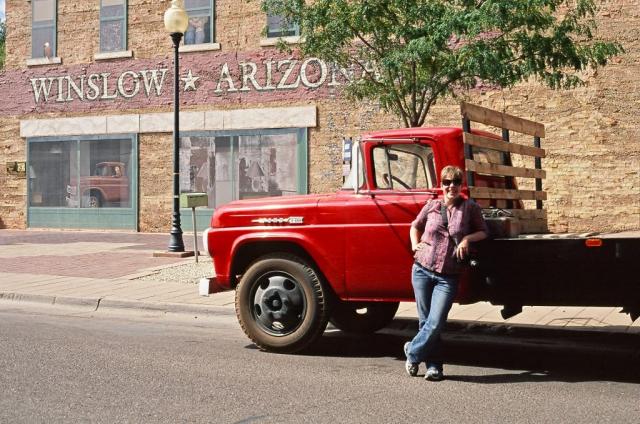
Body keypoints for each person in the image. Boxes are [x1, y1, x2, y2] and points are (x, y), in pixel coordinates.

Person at [404, 165, 488, 381]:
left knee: (436, 321)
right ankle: (434, 367)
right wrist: (415, 245)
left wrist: (467, 239)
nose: (451, 186)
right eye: (447, 182)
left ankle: (412, 352)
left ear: (461, 185)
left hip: (447, 275)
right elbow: (415, 226)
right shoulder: (431, 205)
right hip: (422, 269)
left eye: (456, 182)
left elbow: (483, 232)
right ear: (441, 185)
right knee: (425, 322)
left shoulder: (469, 207)